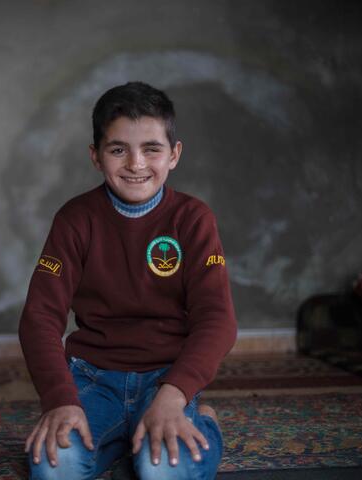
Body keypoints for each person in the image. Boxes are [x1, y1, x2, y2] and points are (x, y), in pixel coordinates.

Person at [18, 81, 237, 480]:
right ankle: (120, 435)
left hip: (165, 377)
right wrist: (59, 400)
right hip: (92, 376)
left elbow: (217, 319)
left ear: (174, 155)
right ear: (96, 157)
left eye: (151, 149)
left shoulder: (193, 219)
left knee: (161, 470)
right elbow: (40, 316)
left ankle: (204, 421)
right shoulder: (75, 219)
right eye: (118, 149)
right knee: (52, 468)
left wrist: (175, 396)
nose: (136, 164)